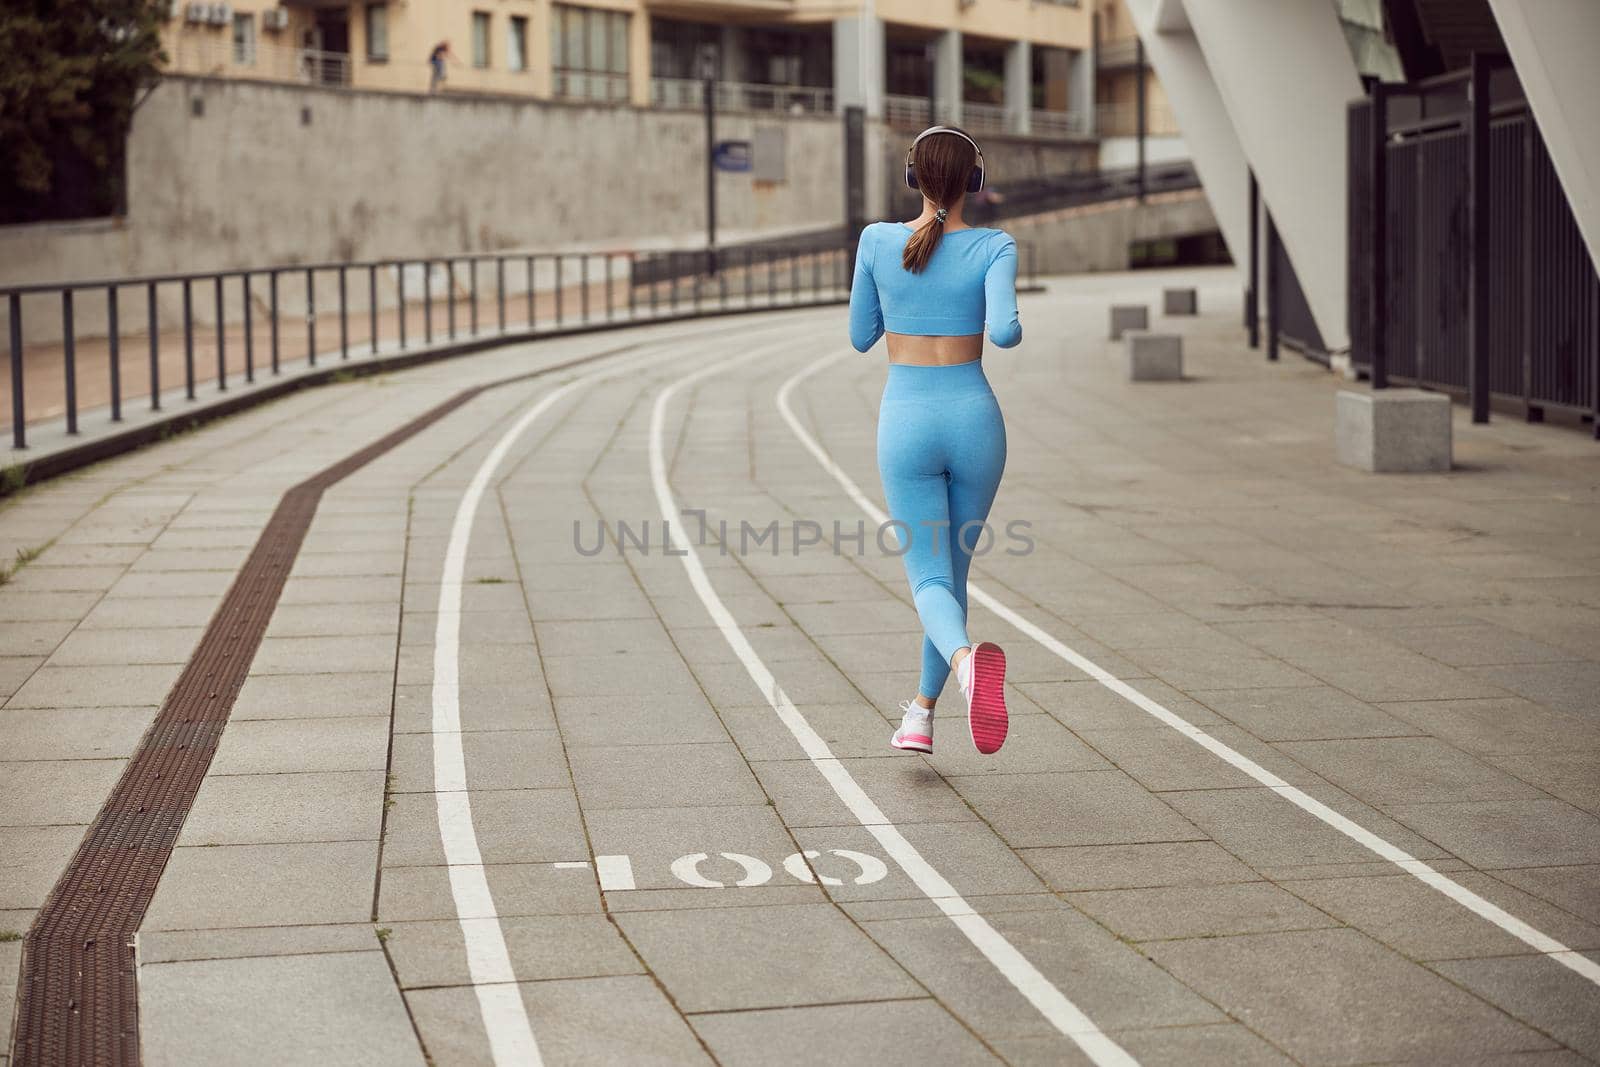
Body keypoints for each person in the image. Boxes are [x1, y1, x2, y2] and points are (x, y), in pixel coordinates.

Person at [848, 126, 1022, 757]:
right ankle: (920, 715)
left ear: (911, 177)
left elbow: (859, 335)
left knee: (929, 579)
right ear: (975, 179)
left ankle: (964, 661)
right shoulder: (995, 247)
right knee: (953, 573)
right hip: (975, 420)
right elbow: (1004, 332)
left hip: (907, 420)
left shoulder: (875, 240)